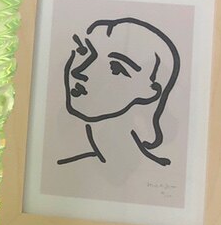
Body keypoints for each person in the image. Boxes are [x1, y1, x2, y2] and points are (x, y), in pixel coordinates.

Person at [58, 17, 180, 168]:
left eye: (117, 68)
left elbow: (116, 172)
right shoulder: (90, 85)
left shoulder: (128, 131)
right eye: (87, 51)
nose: (78, 71)